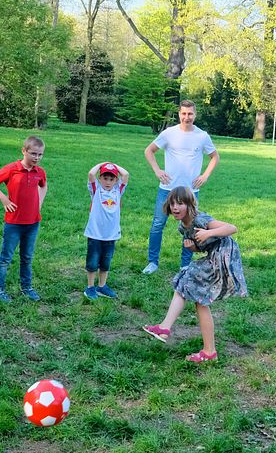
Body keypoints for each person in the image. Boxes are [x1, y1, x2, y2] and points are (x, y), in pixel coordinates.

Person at [143, 187, 248, 363]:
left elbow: (231, 228)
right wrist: (193, 248)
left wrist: (209, 231)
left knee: (187, 280)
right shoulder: (182, 228)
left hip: (224, 255)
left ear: (190, 204)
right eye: (172, 203)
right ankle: (208, 351)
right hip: (213, 256)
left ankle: (166, 328)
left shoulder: (200, 218)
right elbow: (202, 245)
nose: (175, 207)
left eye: (180, 203)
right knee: (195, 295)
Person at [142, 100, 219, 274]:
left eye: (190, 114)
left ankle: (185, 264)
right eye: (184, 113)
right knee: (157, 224)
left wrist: (205, 176)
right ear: (179, 114)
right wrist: (157, 170)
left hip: (190, 192)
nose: (187, 117)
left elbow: (214, 157)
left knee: (190, 228)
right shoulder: (169, 133)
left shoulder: (202, 136)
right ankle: (152, 262)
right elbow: (149, 151)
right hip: (167, 189)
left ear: (195, 114)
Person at [0, 136, 48, 303]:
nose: (37, 158)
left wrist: (39, 203)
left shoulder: (39, 172)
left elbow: (43, 185)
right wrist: (3, 199)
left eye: (40, 154)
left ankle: (26, 287)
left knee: (27, 256)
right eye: (33, 153)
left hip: (33, 222)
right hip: (14, 223)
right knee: (6, 257)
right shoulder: (13, 169)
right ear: (24, 151)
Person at [83, 162, 130, 300]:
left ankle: (102, 286)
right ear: (100, 178)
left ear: (116, 180)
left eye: (111, 179)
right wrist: (102, 164)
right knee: (92, 262)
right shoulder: (96, 189)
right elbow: (91, 174)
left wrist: (113, 165)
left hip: (111, 235)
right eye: (105, 178)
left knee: (105, 262)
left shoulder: (118, 191)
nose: (108, 182)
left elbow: (126, 174)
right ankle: (90, 288)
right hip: (95, 233)